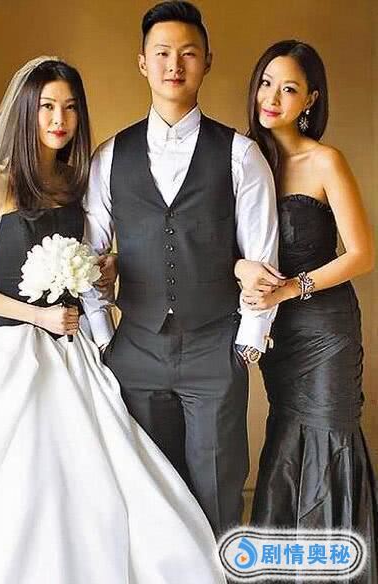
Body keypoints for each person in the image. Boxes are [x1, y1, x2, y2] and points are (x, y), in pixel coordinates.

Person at [0, 56, 227, 584]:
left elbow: (88, 260)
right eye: (46, 107)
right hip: (7, 348)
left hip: (69, 346)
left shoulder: (72, 181)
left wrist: (102, 271)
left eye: (69, 108)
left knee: (105, 470)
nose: (59, 119)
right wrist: (37, 315)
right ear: (27, 112)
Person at [85, 0, 279, 536]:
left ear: (207, 61)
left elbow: (262, 259)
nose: (175, 64)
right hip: (134, 349)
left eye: (188, 53)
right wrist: (104, 338)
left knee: (217, 492)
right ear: (142, 62)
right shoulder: (109, 156)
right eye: (163, 53)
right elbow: (89, 257)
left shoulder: (241, 155)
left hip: (214, 347)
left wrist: (247, 344)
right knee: (149, 495)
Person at [235, 40, 377, 580]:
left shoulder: (324, 160)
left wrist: (291, 288)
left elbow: (362, 254)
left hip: (325, 328)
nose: (272, 97)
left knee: (327, 437)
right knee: (286, 435)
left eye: (289, 88)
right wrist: (243, 272)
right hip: (278, 332)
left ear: (310, 100)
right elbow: (223, 247)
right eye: (266, 83)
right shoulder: (241, 160)